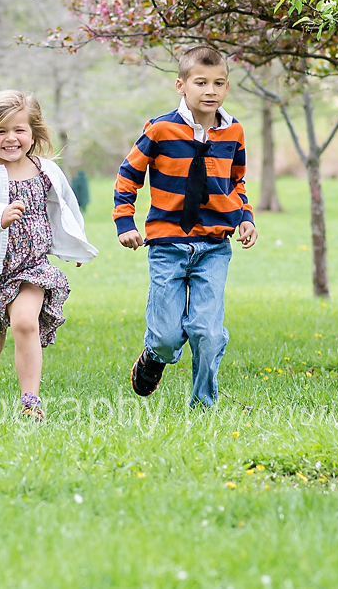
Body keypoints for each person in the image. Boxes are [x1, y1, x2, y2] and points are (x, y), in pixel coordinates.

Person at [112, 45, 258, 409]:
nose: (211, 90)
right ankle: (154, 355)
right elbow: (128, 174)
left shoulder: (234, 131)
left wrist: (245, 217)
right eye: (201, 82)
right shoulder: (160, 129)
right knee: (166, 336)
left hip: (214, 246)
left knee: (208, 332)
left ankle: (203, 405)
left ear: (227, 87)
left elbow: (236, 181)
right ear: (181, 85)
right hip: (168, 245)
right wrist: (125, 220)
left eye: (219, 83)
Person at [0, 90, 99, 419]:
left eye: (19, 130)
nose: (10, 138)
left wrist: (76, 244)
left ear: (33, 133)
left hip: (33, 267)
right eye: (0, 130)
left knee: (24, 323)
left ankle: (30, 402)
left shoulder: (46, 170)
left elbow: (67, 207)